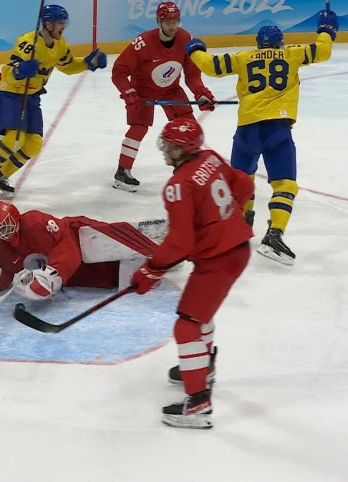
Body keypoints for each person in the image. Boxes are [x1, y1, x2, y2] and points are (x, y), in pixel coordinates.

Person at [184, 10, 338, 266]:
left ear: (258, 45)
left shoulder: (244, 58)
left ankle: (240, 226)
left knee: (242, 180)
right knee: (285, 184)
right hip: (277, 130)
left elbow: (211, 66)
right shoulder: (292, 54)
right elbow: (323, 51)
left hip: (246, 131)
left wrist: (195, 50)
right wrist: (326, 31)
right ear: (281, 44)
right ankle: (274, 234)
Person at [131, 118, 254, 429]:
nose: (165, 150)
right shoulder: (210, 158)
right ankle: (204, 367)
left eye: (170, 146)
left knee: (187, 326)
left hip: (218, 260)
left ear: (183, 149)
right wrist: (228, 222)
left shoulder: (178, 187)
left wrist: (151, 269)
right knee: (201, 314)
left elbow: (180, 242)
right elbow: (244, 185)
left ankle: (198, 403)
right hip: (236, 250)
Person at [0, 4, 107, 195]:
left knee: (34, 144)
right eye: (60, 23)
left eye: (65, 22)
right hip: (12, 95)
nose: (64, 26)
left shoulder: (60, 44)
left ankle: (0, 176)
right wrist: (20, 71)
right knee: (13, 140)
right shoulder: (28, 43)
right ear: (48, 24)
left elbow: (67, 66)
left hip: (33, 97)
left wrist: (87, 63)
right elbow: (8, 71)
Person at [110, 1, 215, 192]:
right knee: (138, 128)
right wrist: (129, 92)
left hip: (171, 90)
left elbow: (192, 75)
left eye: (175, 22)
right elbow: (118, 71)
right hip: (142, 92)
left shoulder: (186, 39)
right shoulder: (143, 43)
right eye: (168, 22)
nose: (172, 26)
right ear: (158, 22)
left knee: (189, 126)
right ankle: (122, 173)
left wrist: (201, 93)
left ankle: (189, 171)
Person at [0, 202, 160, 301]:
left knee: (103, 246)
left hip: (76, 236)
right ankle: (143, 265)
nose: (3, 231)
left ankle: (158, 252)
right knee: (108, 277)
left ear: (15, 216)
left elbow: (67, 244)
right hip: (73, 275)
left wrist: (52, 274)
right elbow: (5, 275)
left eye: (5, 225)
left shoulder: (35, 222)